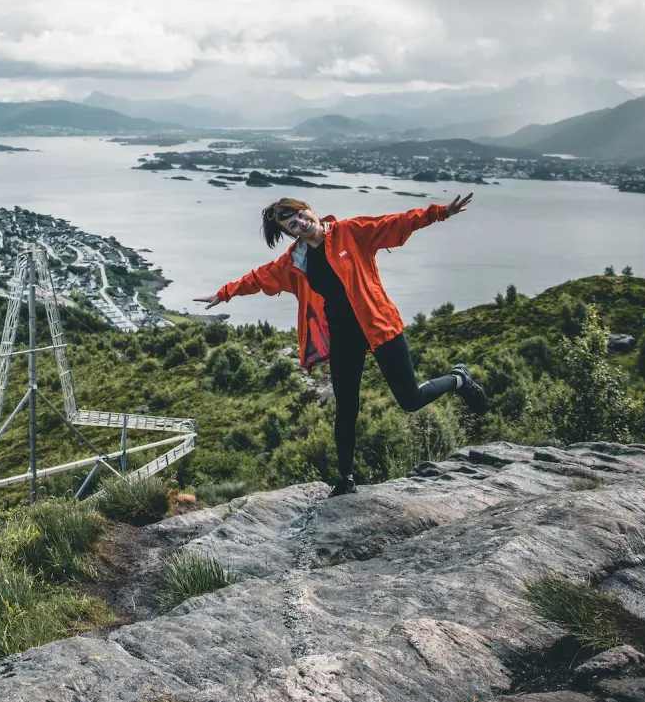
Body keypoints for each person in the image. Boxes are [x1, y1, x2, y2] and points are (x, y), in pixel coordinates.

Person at [194, 195, 488, 497]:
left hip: (379, 326)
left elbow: (396, 223)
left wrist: (439, 213)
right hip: (343, 338)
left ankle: (459, 379)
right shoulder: (296, 261)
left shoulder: (350, 231)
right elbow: (260, 277)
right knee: (346, 409)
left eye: (300, 215)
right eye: (293, 224)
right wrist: (224, 293)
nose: (302, 224)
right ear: (291, 233)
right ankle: (345, 478)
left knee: (410, 400)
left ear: (309, 209)